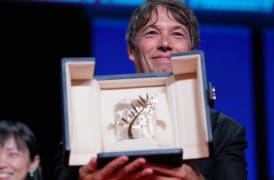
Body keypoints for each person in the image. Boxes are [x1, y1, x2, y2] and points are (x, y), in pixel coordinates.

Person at [55, 0, 248, 179]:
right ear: (131, 50)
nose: (165, 44)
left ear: (192, 51)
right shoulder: (84, 128)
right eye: (152, 33)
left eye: (177, 34)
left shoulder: (224, 132)